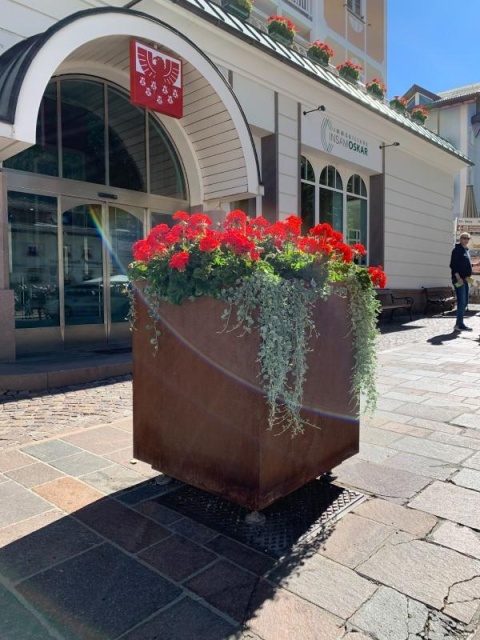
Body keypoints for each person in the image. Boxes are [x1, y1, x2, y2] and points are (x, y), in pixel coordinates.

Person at [450, 231, 473, 332]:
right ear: (460, 239)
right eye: (464, 238)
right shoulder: (457, 250)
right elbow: (453, 265)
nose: (466, 240)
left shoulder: (466, 250)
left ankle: (460, 323)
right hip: (459, 279)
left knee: (465, 302)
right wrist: (458, 277)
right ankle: (458, 325)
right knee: (462, 301)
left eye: (468, 238)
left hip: (466, 279)